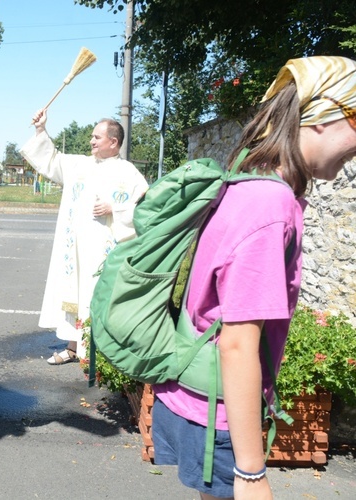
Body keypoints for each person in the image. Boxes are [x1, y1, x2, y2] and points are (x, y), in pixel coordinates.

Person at [151, 55, 356, 500]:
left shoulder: (243, 183)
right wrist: (249, 473)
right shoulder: (271, 205)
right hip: (220, 414)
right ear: (321, 118)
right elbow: (239, 342)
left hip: (193, 396)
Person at [22, 110, 148, 365]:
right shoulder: (80, 165)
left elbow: (146, 207)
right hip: (76, 251)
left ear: (113, 142)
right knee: (74, 294)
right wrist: (40, 130)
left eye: (97, 137)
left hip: (105, 253)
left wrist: (116, 209)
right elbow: (52, 159)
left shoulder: (129, 172)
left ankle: (100, 355)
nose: (91, 141)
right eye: (92, 136)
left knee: (100, 297)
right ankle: (72, 347)